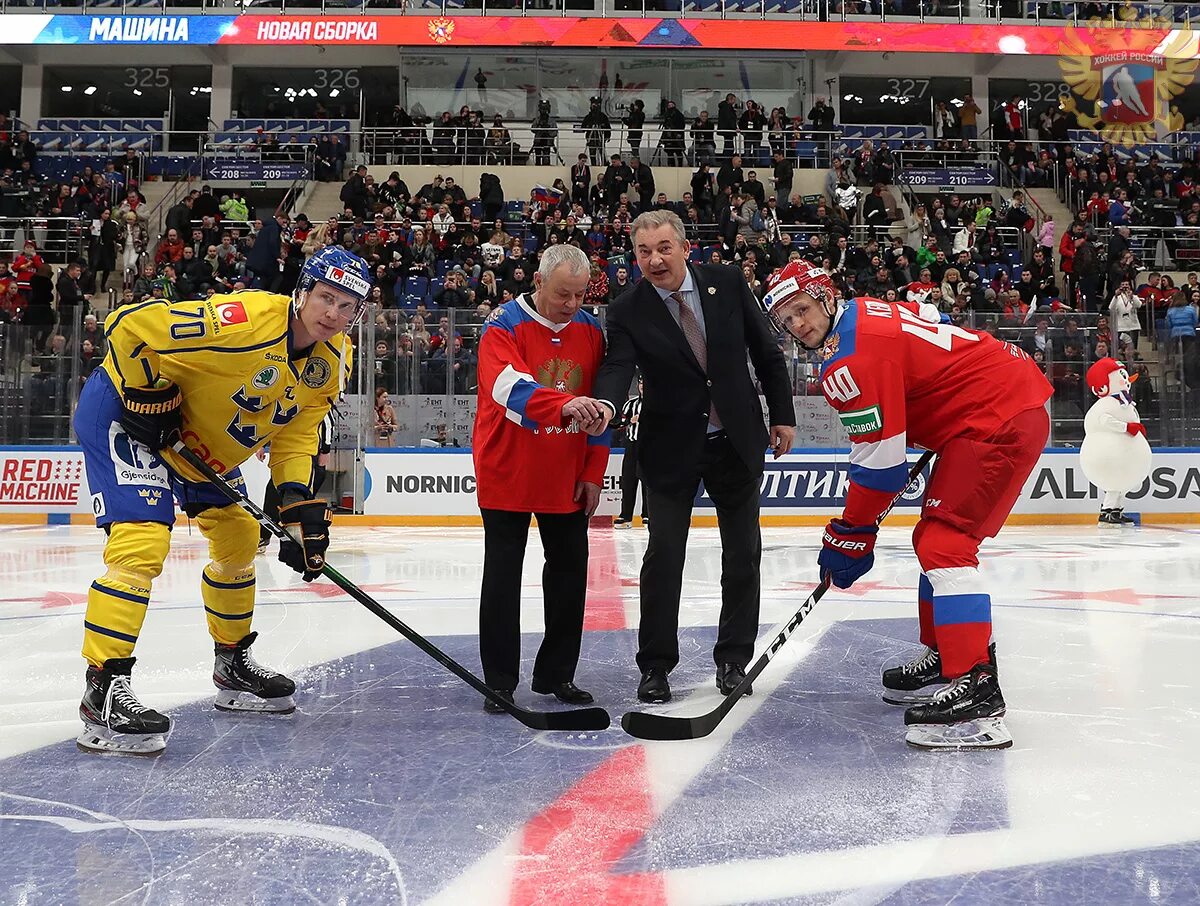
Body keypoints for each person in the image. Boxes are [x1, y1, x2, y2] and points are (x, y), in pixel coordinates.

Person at [71, 246, 371, 756]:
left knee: (239, 537)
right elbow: (129, 324)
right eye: (326, 298)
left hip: (198, 442)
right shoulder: (245, 320)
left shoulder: (332, 360)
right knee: (141, 543)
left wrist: (295, 502)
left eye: (348, 307)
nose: (333, 315)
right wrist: (146, 393)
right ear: (302, 292)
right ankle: (102, 691)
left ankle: (231, 663)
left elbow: (296, 437)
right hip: (129, 418)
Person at [760, 260, 1053, 750]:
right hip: (992, 401)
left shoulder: (850, 358)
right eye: (787, 319)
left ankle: (977, 687)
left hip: (997, 415)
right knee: (932, 537)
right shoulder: (859, 314)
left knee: (945, 542)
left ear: (826, 296)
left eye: (803, 309)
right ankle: (947, 652)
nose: (798, 325)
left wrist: (850, 532)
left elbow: (881, 468)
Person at [591, 210, 796, 704]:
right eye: (644, 252)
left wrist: (782, 415)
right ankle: (656, 666)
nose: (655, 259)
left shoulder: (726, 282)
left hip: (736, 439)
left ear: (685, 247)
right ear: (634, 256)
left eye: (664, 248)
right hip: (670, 448)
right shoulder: (626, 309)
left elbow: (766, 352)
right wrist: (606, 403)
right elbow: (618, 366)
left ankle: (733, 660)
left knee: (742, 555)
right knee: (664, 558)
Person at [472, 245, 610, 712]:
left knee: (570, 577)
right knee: (503, 578)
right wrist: (562, 404)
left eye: (578, 295)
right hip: (506, 470)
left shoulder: (592, 331)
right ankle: (500, 681)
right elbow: (505, 385)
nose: (571, 305)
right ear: (537, 280)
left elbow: (600, 409)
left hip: (566, 475)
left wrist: (594, 472)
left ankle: (557, 676)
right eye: (562, 294)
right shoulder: (502, 324)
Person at [614, 374, 648, 529]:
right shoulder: (631, 404)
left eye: (645, 383)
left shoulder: (655, 403)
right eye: (640, 383)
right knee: (627, 481)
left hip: (647, 447)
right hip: (632, 445)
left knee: (647, 482)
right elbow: (619, 422)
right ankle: (626, 515)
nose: (642, 386)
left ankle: (647, 514)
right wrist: (629, 421)